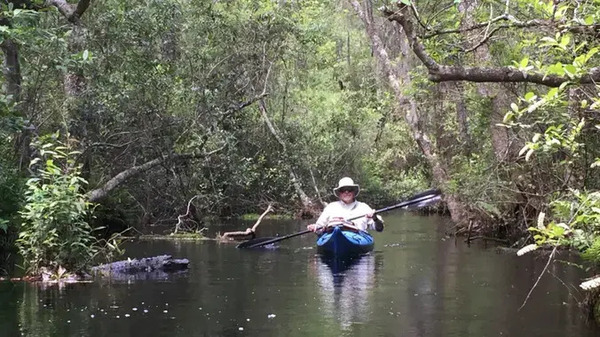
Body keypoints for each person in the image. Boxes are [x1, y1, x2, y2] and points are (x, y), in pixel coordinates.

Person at [307, 177, 384, 233]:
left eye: (349, 189)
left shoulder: (364, 207)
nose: (346, 192)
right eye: (343, 190)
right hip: (333, 236)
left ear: (353, 192)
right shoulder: (331, 207)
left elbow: (379, 228)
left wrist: (375, 218)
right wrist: (315, 227)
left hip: (358, 239)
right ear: (339, 193)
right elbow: (319, 227)